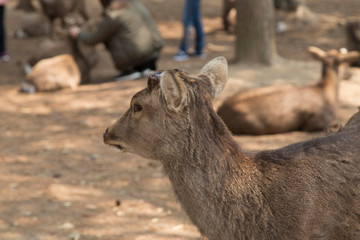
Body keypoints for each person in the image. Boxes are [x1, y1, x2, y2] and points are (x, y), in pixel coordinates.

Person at [69, 0, 164, 81]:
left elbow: (93, 39)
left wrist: (78, 33)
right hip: (154, 52)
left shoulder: (113, 16)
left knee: (108, 36)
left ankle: (131, 69)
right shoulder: (135, 3)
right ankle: (145, 68)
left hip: (137, 56)